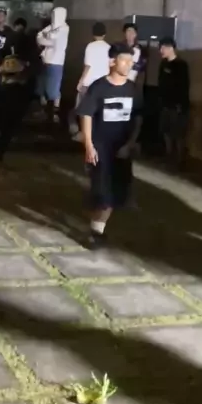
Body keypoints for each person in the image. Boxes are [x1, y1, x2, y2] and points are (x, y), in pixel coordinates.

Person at [77, 43, 143, 249]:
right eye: (125, 60)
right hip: (101, 149)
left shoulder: (132, 88)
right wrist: (89, 145)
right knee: (104, 194)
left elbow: (138, 118)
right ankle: (95, 232)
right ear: (112, 62)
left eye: (131, 61)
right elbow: (86, 115)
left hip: (121, 151)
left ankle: (97, 225)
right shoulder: (99, 87)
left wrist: (130, 143)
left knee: (115, 194)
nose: (129, 65)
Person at [0, 51, 33, 165]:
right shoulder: (21, 64)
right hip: (13, 94)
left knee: (3, 124)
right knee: (7, 127)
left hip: (6, 92)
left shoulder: (6, 63)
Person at [158, 37, 190, 164]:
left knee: (178, 133)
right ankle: (169, 155)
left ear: (171, 48)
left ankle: (180, 159)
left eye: (163, 48)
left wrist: (180, 105)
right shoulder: (163, 64)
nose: (160, 50)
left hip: (177, 105)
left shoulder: (181, 65)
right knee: (165, 130)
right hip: (165, 104)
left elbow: (184, 86)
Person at [36, 7, 69, 117]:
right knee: (43, 86)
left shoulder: (64, 28)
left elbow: (52, 40)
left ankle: (55, 111)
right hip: (45, 61)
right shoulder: (51, 27)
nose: (53, 17)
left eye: (55, 15)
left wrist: (46, 37)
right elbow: (39, 37)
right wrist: (46, 37)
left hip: (56, 63)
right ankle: (44, 110)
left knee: (53, 90)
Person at [77, 22, 110, 104]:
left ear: (93, 34)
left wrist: (81, 81)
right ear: (104, 34)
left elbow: (88, 65)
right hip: (103, 83)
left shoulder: (90, 46)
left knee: (84, 106)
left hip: (89, 82)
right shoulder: (109, 47)